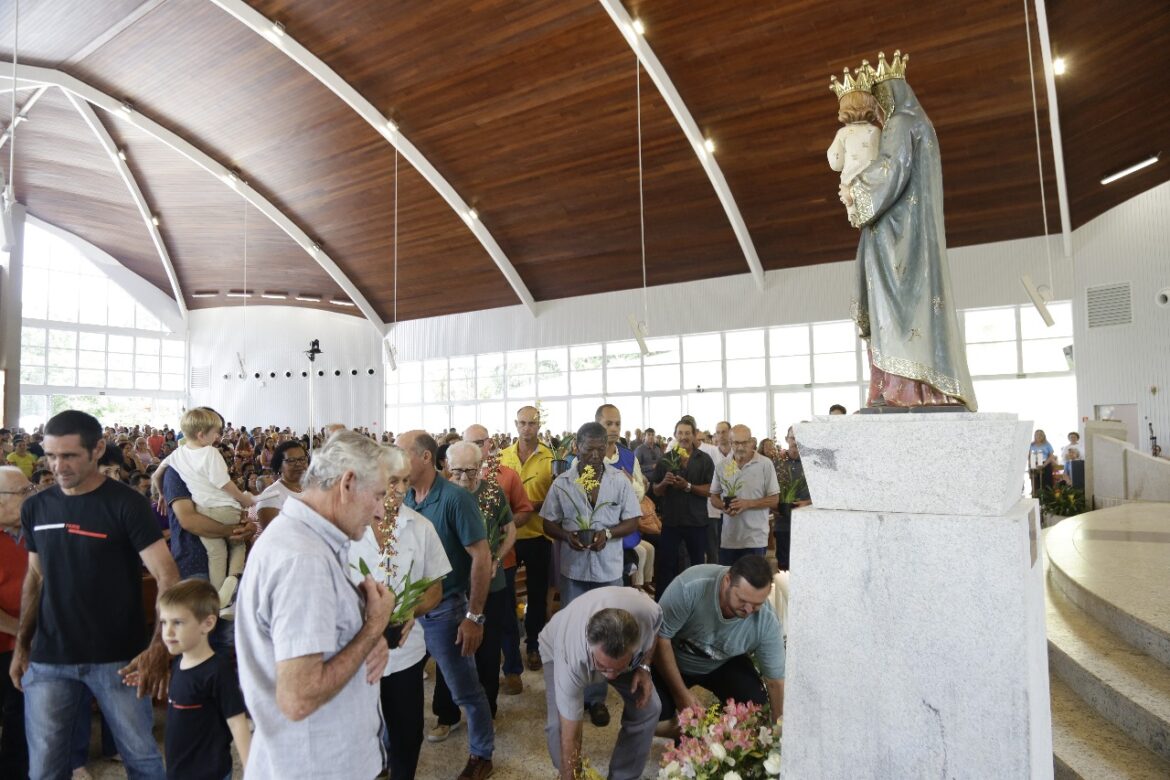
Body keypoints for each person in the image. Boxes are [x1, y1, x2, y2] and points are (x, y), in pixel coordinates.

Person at [11, 410, 178, 780]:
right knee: (45, 767)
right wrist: (23, 645)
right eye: (51, 456)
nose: (58, 465)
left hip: (120, 659)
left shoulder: (125, 504)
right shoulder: (37, 506)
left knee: (142, 760)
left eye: (69, 455)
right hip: (50, 658)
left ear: (98, 448)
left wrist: (158, 647)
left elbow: (167, 576)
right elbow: (35, 578)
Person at [234, 431, 395, 778]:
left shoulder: (310, 541)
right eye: (379, 496)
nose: (381, 512)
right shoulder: (303, 560)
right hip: (316, 765)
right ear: (348, 483)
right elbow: (298, 698)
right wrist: (372, 629)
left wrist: (365, 638)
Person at [841, 51, 976, 411]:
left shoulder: (901, 124)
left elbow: (889, 171)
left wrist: (854, 191)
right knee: (914, 311)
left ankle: (903, 389)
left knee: (898, 311)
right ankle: (920, 386)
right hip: (913, 235)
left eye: (879, 101)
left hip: (895, 240)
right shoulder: (923, 125)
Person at [345, 445, 448, 780]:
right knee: (358, 739)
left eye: (406, 480)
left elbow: (435, 588)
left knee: (406, 735)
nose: (401, 489)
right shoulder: (346, 528)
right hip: (353, 656)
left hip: (404, 654)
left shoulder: (420, 527)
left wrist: (408, 611)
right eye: (392, 481)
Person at [397, 430, 495, 780]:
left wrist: (474, 616)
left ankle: (481, 753)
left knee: (465, 689)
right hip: (410, 608)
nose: (397, 460)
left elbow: (481, 557)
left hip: (447, 608)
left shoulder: (455, 499)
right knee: (397, 683)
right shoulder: (405, 497)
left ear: (425, 457)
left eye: (402, 452)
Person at [541, 422, 641, 727]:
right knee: (575, 632)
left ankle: (597, 697)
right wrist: (566, 535)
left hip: (608, 570)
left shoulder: (619, 481)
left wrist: (608, 532)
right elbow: (548, 522)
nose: (596, 455)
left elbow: (633, 520)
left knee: (607, 633)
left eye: (601, 448)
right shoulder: (562, 483)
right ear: (576, 448)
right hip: (574, 570)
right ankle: (571, 690)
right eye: (589, 449)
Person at [432, 442, 516, 728]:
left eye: (471, 470)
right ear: (445, 466)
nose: (465, 478)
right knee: (448, 649)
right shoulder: (439, 494)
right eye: (457, 471)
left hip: (490, 585)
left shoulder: (493, 491)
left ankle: (487, 711)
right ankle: (446, 714)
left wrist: (496, 558)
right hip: (451, 587)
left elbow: (510, 530)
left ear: (481, 467)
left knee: (488, 651)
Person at [539, 588, 661, 780]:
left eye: (617, 668)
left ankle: (623, 776)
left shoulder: (647, 612)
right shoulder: (572, 654)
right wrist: (570, 774)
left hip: (614, 658)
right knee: (559, 729)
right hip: (555, 647)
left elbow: (656, 630)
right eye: (603, 668)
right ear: (590, 645)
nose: (610, 678)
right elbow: (571, 729)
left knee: (650, 708)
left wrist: (644, 667)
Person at [652, 557, 784, 729]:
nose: (749, 610)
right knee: (650, 713)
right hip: (675, 659)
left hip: (723, 662)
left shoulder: (766, 620)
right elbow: (660, 637)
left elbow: (775, 682)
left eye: (757, 604)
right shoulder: (691, 587)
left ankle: (708, 728)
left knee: (755, 709)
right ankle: (689, 732)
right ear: (727, 581)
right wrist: (680, 694)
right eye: (742, 600)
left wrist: (778, 730)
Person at [161, 408, 256, 612]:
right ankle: (228, 585)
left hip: (215, 545)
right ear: (201, 434)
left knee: (223, 632)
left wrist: (244, 526)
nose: (219, 437)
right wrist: (234, 530)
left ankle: (227, 589)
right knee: (203, 630)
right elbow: (189, 520)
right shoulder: (176, 470)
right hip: (193, 562)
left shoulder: (183, 456)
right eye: (216, 432)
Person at [462, 423, 533, 696]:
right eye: (470, 444)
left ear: (489, 443)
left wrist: (499, 527)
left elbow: (524, 511)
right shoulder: (456, 479)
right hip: (466, 569)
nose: (477, 449)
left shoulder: (507, 476)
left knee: (505, 620)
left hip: (503, 562)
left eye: (481, 442)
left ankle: (513, 670)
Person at [156, 579, 250, 780]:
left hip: (210, 773)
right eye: (164, 622)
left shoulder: (217, 671)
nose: (168, 632)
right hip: (178, 771)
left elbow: (238, 724)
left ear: (207, 623)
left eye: (178, 622)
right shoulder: (178, 663)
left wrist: (252, 770)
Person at [499, 406, 555, 673]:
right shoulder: (502, 456)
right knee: (505, 594)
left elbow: (556, 497)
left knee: (537, 594)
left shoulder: (550, 456)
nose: (526, 428)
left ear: (539, 425)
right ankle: (509, 647)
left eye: (531, 423)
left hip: (537, 534)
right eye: (522, 423)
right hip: (507, 537)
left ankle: (533, 644)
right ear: (515, 424)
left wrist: (531, 505)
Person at [651, 419, 715, 601]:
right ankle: (662, 605)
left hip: (697, 521)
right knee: (666, 566)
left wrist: (688, 486)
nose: (684, 437)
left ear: (694, 435)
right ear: (675, 435)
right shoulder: (666, 459)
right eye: (681, 433)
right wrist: (664, 483)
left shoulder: (704, 459)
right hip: (671, 521)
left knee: (697, 566)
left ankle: (698, 603)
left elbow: (711, 490)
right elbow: (655, 491)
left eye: (688, 433)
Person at [0, 466, 33, 778]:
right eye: (24, 493)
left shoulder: (27, 533)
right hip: (6, 645)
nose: (30, 497)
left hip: (23, 647)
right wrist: (23, 633)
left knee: (20, 721)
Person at [709, 425, 780, 565]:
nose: (740, 447)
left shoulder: (765, 464)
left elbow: (774, 500)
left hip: (755, 539)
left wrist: (748, 504)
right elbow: (713, 496)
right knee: (729, 582)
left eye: (744, 442)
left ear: (752, 442)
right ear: (730, 443)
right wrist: (723, 506)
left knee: (753, 583)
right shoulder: (722, 466)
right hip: (729, 539)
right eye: (736, 443)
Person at [827, 67, 882, 228]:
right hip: (873, 184)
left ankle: (856, 217)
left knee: (859, 220)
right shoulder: (875, 131)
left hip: (850, 184)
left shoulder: (843, 133)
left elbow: (835, 163)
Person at [775, 426, 812, 571]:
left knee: (806, 563)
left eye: (800, 437)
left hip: (808, 521)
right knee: (784, 564)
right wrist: (774, 506)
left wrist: (808, 503)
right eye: (793, 437)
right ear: (786, 439)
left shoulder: (813, 462)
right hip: (783, 522)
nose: (796, 441)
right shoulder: (777, 462)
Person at [254, 440, 309, 529]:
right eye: (291, 460)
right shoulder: (270, 497)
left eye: (302, 459)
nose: (298, 464)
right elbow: (277, 536)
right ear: (279, 466)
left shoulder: (315, 487)